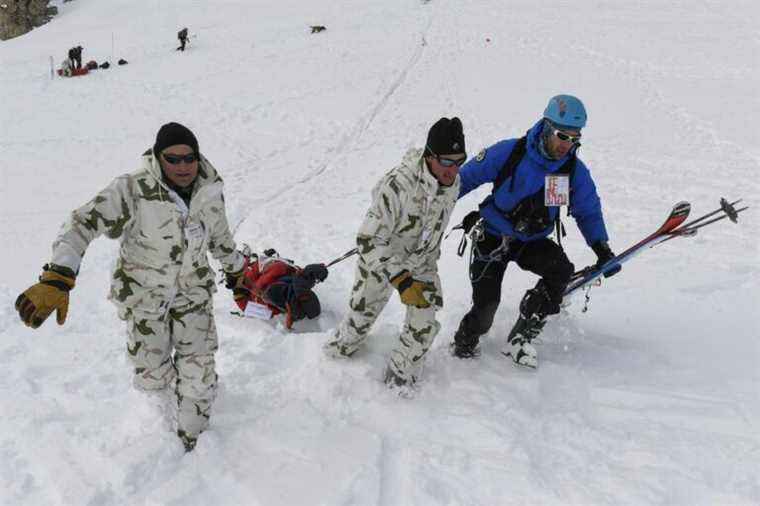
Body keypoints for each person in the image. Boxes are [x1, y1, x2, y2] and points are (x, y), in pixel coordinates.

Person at [14, 122, 247, 452]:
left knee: (199, 371)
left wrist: (238, 275)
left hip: (194, 294)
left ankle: (194, 444)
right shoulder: (132, 189)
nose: (183, 166)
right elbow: (81, 223)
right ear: (157, 156)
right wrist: (58, 275)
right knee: (151, 374)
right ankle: (162, 411)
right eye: (173, 158)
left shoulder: (210, 189)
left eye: (189, 158)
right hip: (144, 299)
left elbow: (221, 237)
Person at [450, 95, 618, 369]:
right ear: (547, 127)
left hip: (531, 240)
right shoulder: (510, 153)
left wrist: (601, 247)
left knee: (560, 271)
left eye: (574, 139)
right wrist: (430, 210)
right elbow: (463, 180)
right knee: (485, 310)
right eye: (563, 136)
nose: (567, 144)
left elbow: (587, 209)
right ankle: (463, 346)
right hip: (492, 236)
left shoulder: (571, 171)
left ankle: (523, 333)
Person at [324, 117, 466, 393]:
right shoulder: (398, 186)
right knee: (356, 327)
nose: (453, 169)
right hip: (380, 263)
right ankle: (331, 364)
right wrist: (400, 279)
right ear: (429, 155)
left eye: (459, 160)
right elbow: (367, 239)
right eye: (447, 161)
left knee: (424, 325)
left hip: (421, 264)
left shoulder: (453, 182)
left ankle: (399, 381)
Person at [229, 248, 328, 329]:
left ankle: (303, 283)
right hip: (274, 290)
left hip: (280, 279)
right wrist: (237, 290)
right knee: (275, 290)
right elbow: (250, 308)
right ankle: (300, 288)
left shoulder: (255, 267)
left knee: (280, 281)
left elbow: (283, 268)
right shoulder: (244, 288)